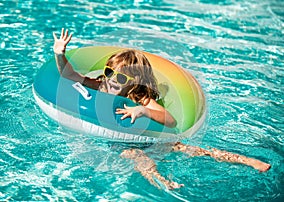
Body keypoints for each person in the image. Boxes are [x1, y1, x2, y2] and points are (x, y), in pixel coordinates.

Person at [53, 28, 271, 190]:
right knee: (140, 159)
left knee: (194, 150)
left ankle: (248, 161)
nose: (111, 80)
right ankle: (164, 183)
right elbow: (69, 75)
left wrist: (143, 111)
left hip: (151, 138)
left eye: (119, 77)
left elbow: (170, 120)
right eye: (109, 71)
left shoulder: (138, 96)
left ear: (134, 81)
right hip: (120, 142)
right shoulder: (101, 83)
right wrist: (60, 54)